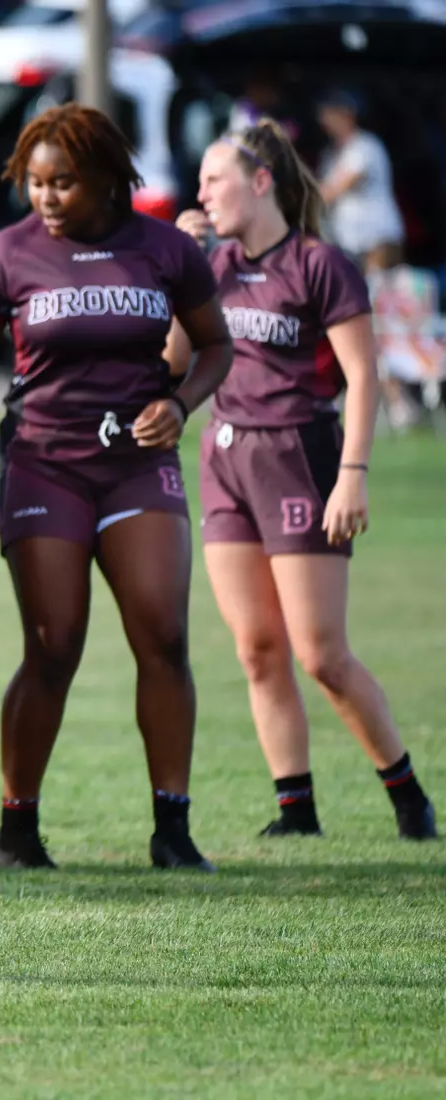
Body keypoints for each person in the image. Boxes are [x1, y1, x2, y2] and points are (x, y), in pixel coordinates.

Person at [0, 103, 234, 872]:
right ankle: (17, 828)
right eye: (34, 184)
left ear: (104, 178)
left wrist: (179, 405)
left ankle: (172, 828)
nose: (45, 197)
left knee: (162, 635)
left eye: (61, 183)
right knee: (53, 644)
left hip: (135, 463)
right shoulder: (7, 252)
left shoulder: (165, 249)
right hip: (43, 463)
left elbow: (213, 345)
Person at [172, 120, 437, 841]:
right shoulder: (211, 265)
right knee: (256, 649)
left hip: (300, 456)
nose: (201, 193)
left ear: (260, 182)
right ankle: (296, 808)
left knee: (320, 654)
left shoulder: (321, 264)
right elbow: (171, 362)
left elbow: (363, 377)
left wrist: (352, 475)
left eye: (214, 179)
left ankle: (408, 796)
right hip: (225, 457)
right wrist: (182, 270)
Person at [317, 90, 404, 266]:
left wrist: (291, 203)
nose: (324, 119)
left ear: (348, 115)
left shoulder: (365, 145)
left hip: (377, 242)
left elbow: (333, 191)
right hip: (347, 244)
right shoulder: (329, 154)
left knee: (376, 284)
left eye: (331, 113)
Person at [366, 241, 444, 431]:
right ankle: (404, 406)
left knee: (378, 358)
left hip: (402, 347)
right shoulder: (422, 280)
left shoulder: (377, 284)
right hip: (420, 346)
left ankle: (399, 406)